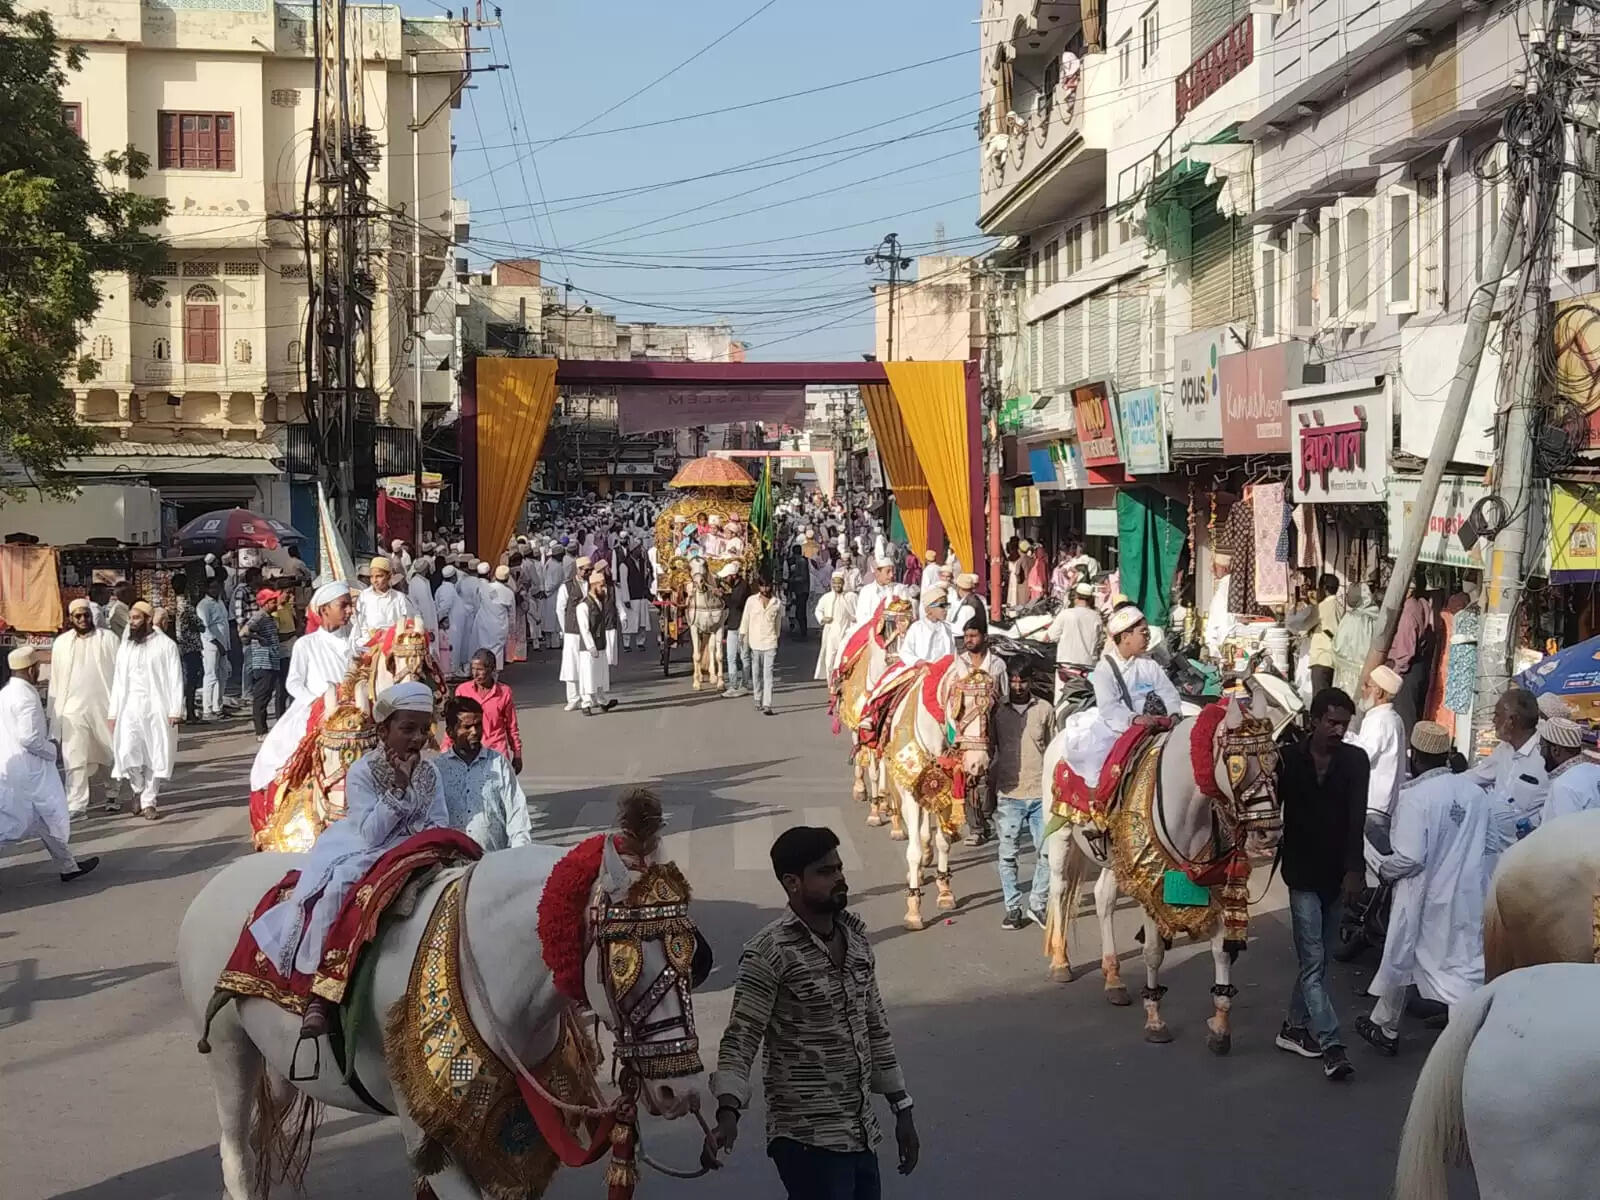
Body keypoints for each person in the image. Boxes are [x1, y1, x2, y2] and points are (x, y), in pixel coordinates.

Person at [710, 826, 918, 1198]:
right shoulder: (769, 953)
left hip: (861, 1134)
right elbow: (741, 1038)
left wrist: (902, 1108)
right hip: (805, 1139)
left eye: (839, 868)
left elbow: (876, 1027)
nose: (839, 877)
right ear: (792, 882)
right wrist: (728, 1111)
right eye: (825, 871)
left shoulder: (855, 941)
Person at [250, 681, 447, 1040]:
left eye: (423, 729)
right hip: (367, 848)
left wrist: (426, 837)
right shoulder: (363, 772)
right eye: (407, 729)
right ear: (384, 729)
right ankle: (319, 991)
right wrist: (399, 790)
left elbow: (440, 820)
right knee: (339, 887)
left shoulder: (431, 772)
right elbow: (371, 832)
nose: (417, 738)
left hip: (420, 848)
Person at [1354, 720, 1489, 1057]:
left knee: (1450, 974)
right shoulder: (1474, 792)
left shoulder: (1415, 798)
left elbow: (1410, 858)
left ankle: (1464, 1050)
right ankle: (1385, 1024)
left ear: (1414, 756)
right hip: (1468, 891)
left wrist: (1383, 867)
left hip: (1426, 897)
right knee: (1416, 958)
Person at [1273, 687, 1366, 1081]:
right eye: (1331, 722)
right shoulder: (1286, 759)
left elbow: (1356, 819)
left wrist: (1355, 870)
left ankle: (1293, 1027)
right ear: (1313, 721)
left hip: (1337, 875)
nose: (1338, 730)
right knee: (1313, 962)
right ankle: (1332, 1045)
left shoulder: (1356, 761)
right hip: (1300, 873)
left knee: (1318, 961)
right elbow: (1264, 806)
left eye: (1344, 724)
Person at [249, 582, 358, 798]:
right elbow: (293, 683)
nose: (349, 611)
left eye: (350, 606)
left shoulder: (356, 642)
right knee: (284, 756)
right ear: (324, 609)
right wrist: (318, 701)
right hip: (314, 712)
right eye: (343, 605)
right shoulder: (306, 644)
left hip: (353, 713)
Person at [0, 648, 99, 882]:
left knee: (46, 819)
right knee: (15, 825)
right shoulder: (25, 697)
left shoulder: (5, 693)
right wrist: (52, 749)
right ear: (31, 669)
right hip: (29, 771)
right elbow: (29, 738)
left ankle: (69, 866)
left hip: (14, 767)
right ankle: (68, 865)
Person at [1062, 605, 1182, 791]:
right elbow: (1109, 708)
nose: (1147, 637)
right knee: (1102, 763)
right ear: (1125, 637)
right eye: (1143, 632)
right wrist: (1134, 719)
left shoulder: (1149, 664)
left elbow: (1168, 692)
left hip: (1154, 723)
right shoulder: (1105, 669)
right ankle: (1102, 803)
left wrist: (1174, 713)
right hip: (1117, 726)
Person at [992, 665, 1056, 930]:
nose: (1018, 686)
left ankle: (1037, 904)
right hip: (1009, 795)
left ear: (1031, 681)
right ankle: (1013, 907)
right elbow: (988, 747)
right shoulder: (997, 711)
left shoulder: (1045, 710)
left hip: (1040, 794)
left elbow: (1053, 748)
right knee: (1008, 856)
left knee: (1048, 854)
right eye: (1014, 681)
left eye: (1023, 681)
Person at [108, 601, 185, 820]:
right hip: (129, 707)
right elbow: (118, 682)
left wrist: (175, 710)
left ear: (149, 620)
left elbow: (175, 679)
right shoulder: (126, 647)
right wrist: (113, 713)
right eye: (130, 618)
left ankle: (149, 801)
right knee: (128, 751)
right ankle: (137, 787)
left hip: (157, 708)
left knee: (155, 754)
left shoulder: (166, 645)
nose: (131, 623)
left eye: (136, 618)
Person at [47, 598, 119, 817]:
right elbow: (55, 681)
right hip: (72, 710)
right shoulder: (61, 643)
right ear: (71, 618)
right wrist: (54, 715)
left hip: (104, 706)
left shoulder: (108, 639)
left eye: (86, 615)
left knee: (109, 751)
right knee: (74, 756)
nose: (83, 619)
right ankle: (77, 804)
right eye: (78, 616)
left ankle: (113, 793)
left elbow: (121, 674)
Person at [434, 694, 531, 853]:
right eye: (467, 727)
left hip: (492, 862)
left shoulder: (498, 763)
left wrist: (520, 855)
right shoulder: (437, 769)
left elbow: (516, 811)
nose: (475, 732)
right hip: (451, 865)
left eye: (478, 725)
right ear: (451, 732)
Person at [1473, 687, 1547, 871]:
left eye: (1497, 715)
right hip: (1491, 855)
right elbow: (1475, 777)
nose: (1493, 720)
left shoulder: (1545, 757)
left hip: (1525, 863)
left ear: (1512, 721)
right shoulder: (1503, 750)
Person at [1348, 665, 1407, 842]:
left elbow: (1362, 756)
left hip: (1375, 807)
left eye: (1367, 685)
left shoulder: (1381, 721)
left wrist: (1344, 739)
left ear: (1379, 692)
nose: (1363, 689)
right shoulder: (1387, 718)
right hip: (1381, 806)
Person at [454, 649, 523, 772]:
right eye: (473, 669)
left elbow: (511, 726)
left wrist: (517, 754)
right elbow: (454, 724)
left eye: (480, 669)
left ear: (492, 669)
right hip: (470, 752)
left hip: (496, 753)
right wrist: (446, 750)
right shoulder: (462, 691)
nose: (475, 674)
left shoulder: (504, 692)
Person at [1388, 570, 1438, 734]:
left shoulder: (1408, 613)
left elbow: (1405, 651)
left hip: (1407, 671)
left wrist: (1396, 674)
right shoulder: (1421, 603)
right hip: (1417, 668)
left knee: (1405, 719)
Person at [1535, 715, 1600, 823]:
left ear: (1556, 750)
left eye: (1542, 747)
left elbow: (1562, 835)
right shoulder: (1595, 770)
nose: (1541, 753)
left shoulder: (1564, 786)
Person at [241, 588, 285, 740]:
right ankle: (260, 730)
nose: (275, 603)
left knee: (266, 696)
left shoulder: (269, 617)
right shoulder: (259, 616)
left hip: (271, 660)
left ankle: (263, 728)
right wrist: (259, 638)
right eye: (272, 601)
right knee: (261, 696)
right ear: (265, 603)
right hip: (262, 662)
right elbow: (244, 632)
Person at [578, 569, 618, 716]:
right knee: (588, 675)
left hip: (601, 644)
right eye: (601, 586)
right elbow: (584, 629)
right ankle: (586, 704)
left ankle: (602, 701)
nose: (604, 589)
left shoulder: (600, 602)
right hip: (589, 648)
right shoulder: (583, 605)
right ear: (593, 585)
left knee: (601, 674)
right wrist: (590, 646)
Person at [741, 575, 783, 717]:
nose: (765, 589)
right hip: (755, 642)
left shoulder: (777, 603)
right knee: (756, 673)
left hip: (770, 641)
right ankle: (757, 698)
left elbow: (777, 624)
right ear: (759, 587)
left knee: (768, 674)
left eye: (767, 586)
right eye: (762, 586)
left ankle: (767, 704)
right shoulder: (752, 601)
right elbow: (746, 619)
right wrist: (742, 635)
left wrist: (776, 638)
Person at [352, 556, 419, 642]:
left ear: (389, 576)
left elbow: (409, 622)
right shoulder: (364, 597)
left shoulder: (399, 598)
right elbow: (360, 624)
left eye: (379, 576)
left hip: (394, 645)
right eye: (372, 577)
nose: (374, 580)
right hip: (369, 644)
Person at [1047, 582, 1103, 674]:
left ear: (1076, 597)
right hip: (1087, 666)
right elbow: (1099, 642)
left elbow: (1051, 636)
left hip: (1066, 666)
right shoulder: (1096, 617)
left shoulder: (1065, 614)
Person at [196, 578, 232, 720]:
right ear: (206, 589)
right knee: (211, 676)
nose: (215, 590)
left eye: (217, 587)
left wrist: (226, 645)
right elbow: (204, 628)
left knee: (222, 675)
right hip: (211, 644)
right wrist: (218, 643)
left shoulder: (220, 602)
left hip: (223, 644)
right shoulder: (204, 605)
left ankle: (218, 707)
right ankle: (207, 709)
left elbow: (224, 624)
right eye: (212, 588)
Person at [556, 556, 588, 712]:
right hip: (571, 631)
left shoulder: (592, 583)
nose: (588, 572)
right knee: (571, 666)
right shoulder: (567, 587)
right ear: (578, 569)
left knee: (586, 665)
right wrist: (565, 629)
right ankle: (573, 698)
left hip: (587, 631)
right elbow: (560, 609)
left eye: (589, 570)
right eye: (585, 570)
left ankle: (587, 696)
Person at [813, 571, 858, 682]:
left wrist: (854, 620)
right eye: (834, 583)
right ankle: (831, 686)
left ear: (843, 583)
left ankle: (842, 685)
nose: (837, 585)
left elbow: (858, 613)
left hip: (845, 634)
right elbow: (818, 610)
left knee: (843, 661)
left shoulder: (851, 597)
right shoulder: (827, 597)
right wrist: (823, 619)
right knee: (829, 662)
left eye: (839, 583)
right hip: (831, 634)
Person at [172, 576, 205, 723]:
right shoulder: (186, 605)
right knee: (191, 680)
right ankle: (189, 712)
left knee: (185, 679)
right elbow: (200, 625)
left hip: (180, 645)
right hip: (190, 646)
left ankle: (185, 710)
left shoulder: (172, 604)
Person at [1309, 574, 1345, 696]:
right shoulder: (1339, 606)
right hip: (1332, 658)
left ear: (1324, 588)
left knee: (1319, 697)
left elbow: (1303, 626)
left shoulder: (1322, 607)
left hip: (1321, 656)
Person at [900, 588, 955, 666]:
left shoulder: (948, 628)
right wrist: (918, 662)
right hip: (922, 669)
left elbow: (953, 652)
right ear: (928, 609)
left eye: (946, 606)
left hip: (944, 669)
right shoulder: (917, 627)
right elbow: (905, 652)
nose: (945, 610)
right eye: (942, 606)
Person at [722, 563, 753, 699]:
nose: (725, 580)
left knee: (744, 656)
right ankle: (733, 684)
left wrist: (723, 596)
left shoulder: (743, 587)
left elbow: (736, 603)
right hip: (733, 625)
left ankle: (745, 684)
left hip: (742, 626)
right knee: (730, 657)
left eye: (727, 577)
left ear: (733, 576)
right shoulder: (735, 587)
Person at [477, 564, 515, 669]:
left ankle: (482, 670)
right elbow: (512, 614)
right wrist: (512, 629)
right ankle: (494, 674)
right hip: (499, 625)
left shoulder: (485, 588)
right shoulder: (509, 593)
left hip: (484, 623)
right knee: (497, 651)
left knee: (483, 648)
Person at [1204, 551, 1235, 661]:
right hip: (1222, 637)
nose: (1212, 570)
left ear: (1224, 568)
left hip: (1224, 638)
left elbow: (1222, 616)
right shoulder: (1225, 584)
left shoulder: (1227, 584)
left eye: (1215, 567)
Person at [851, 557, 895, 634]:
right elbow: (862, 617)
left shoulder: (898, 589)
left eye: (892, 571)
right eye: (888, 572)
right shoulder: (867, 591)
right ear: (877, 572)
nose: (891, 575)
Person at [785, 544, 810, 640]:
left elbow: (803, 577)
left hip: (802, 590)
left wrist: (792, 580)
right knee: (799, 612)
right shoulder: (799, 561)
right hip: (799, 590)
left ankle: (803, 633)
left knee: (800, 612)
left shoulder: (801, 561)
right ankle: (801, 632)